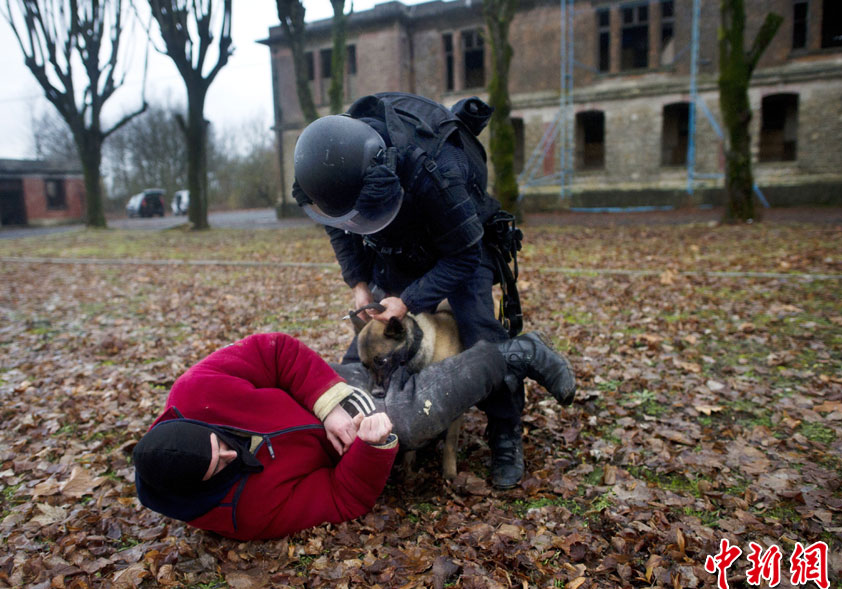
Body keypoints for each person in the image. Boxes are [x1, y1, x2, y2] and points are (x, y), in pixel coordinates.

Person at [291, 92, 551, 488]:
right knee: (366, 343)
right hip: (395, 246)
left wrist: (409, 300)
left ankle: (505, 430)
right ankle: (357, 423)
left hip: (460, 244)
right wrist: (360, 284)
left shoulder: (437, 169)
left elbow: (464, 256)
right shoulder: (331, 169)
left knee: (482, 335)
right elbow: (339, 227)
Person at [133, 331, 575, 541]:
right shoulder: (244, 514)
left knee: (405, 409)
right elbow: (340, 499)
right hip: (349, 446)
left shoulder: (195, 390)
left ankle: (516, 351)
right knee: (406, 422)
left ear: (192, 422)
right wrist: (373, 447)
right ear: (200, 489)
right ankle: (506, 361)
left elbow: (274, 351)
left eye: (220, 444)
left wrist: (326, 404)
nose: (230, 455)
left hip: (327, 389)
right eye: (219, 467)